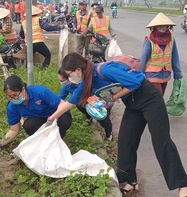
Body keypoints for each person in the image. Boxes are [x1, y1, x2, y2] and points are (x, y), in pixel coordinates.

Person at [47, 52, 187, 196]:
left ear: (78, 69)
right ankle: (131, 182)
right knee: (126, 142)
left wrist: (112, 98)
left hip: (149, 98)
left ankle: (182, 185)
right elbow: (70, 102)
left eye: (70, 74)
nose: (70, 78)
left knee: (161, 141)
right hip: (132, 104)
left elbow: (134, 82)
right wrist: (51, 118)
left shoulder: (104, 70)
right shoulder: (86, 81)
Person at [0, 75, 72, 149]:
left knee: (63, 122)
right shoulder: (12, 107)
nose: (13, 99)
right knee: (29, 125)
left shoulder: (40, 91)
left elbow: (62, 104)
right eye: (10, 96)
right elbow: (13, 130)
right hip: (41, 118)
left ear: (23, 89)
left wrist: (52, 118)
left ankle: (58, 142)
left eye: (15, 95)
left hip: (58, 114)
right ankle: (45, 142)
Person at [57, 65, 113, 139]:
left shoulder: (85, 81)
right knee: (79, 104)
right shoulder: (67, 86)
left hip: (100, 100)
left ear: (70, 77)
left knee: (103, 119)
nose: (62, 83)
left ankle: (109, 134)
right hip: (87, 101)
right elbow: (59, 98)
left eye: (62, 81)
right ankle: (90, 117)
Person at [140, 12, 183, 96]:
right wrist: (140, 75)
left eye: (165, 25)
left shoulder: (171, 39)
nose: (163, 27)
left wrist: (178, 74)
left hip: (165, 75)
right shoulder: (149, 40)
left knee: (160, 98)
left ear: (168, 26)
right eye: (160, 26)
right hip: (152, 76)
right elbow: (143, 58)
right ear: (155, 27)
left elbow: (175, 58)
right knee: (158, 98)